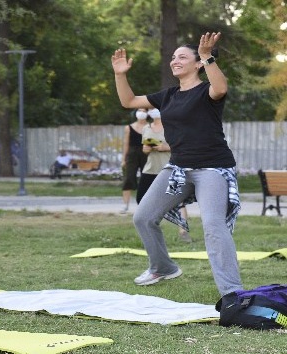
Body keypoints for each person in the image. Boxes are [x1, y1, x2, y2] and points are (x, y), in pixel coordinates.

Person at [111, 32, 243, 296]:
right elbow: (128, 101)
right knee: (143, 217)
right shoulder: (167, 95)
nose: (175, 61)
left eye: (182, 57)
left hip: (212, 168)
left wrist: (207, 57)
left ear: (197, 64)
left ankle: (232, 293)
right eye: (173, 57)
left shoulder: (207, 90)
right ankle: (163, 267)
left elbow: (221, 88)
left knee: (213, 226)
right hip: (178, 168)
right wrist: (120, 74)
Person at [136, 108, 192, 243]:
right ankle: (152, 227)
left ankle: (183, 231)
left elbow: (184, 146)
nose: (153, 111)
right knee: (141, 198)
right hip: (150, 169)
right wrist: (146, 149)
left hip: (169, 168)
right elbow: (145, 149)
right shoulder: (146, 128)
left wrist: (166, 147)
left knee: (178, 201)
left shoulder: (172, 127)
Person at [120, 108, 149, 213]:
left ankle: (145, 206)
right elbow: (125, 144)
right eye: (140, 110)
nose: (142, 113)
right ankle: (125, 205)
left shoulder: (150, 127)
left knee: (146, 179)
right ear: (136, 113)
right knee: (128, 178)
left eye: (144, 111)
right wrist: (124, 159)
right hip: (132, 155)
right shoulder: (129, 127)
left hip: (146, 154)